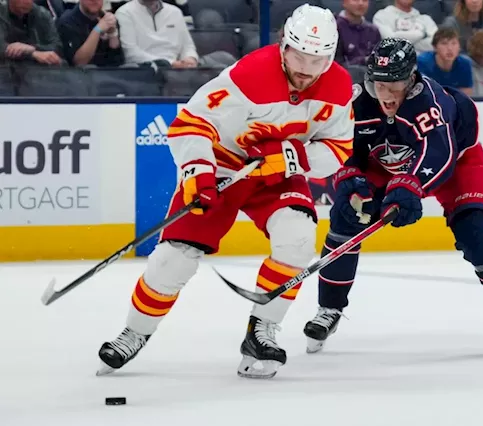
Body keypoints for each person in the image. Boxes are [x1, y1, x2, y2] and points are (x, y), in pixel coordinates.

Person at [97, 3, 354, 380]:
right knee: (175, 258)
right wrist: (198, 174)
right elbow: (190, 123)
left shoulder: (338, 86)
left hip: (279, 173)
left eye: (316, 62)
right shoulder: (249, 75)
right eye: (298, 57)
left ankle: (261, 334)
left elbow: (338, 149)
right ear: (284, 45)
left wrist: (291, 157)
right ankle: (134, 332)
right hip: (223, 165)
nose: (304, 70)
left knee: (297, 241)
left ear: (329, 57)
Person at [302, 37, 483, 355]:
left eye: (395, 86)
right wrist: (350, 178)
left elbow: (439, 153)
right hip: (382, 165)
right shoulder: (356, 103)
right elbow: (342, 146)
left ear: (411, 80)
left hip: (457, 164)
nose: (386, 95)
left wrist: (408, 187)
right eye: (380, 85)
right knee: (345, 216)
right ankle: (329, 309)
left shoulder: (430, 102)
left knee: (477, 235)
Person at [417, 28, 473, 96]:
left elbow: (466, 96)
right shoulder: (423, 63)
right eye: (444, 43)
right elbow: (422, 95)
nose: (450, 48)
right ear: (435, 47)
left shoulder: (465, 64)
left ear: (459, 47)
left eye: (454, 43)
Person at [372, 0, 438, 54]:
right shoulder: (382, 16)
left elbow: (437, 45)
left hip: (424, 66)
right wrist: (422, 34)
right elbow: (392, 42)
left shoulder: (426, 19)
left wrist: (401, 38)